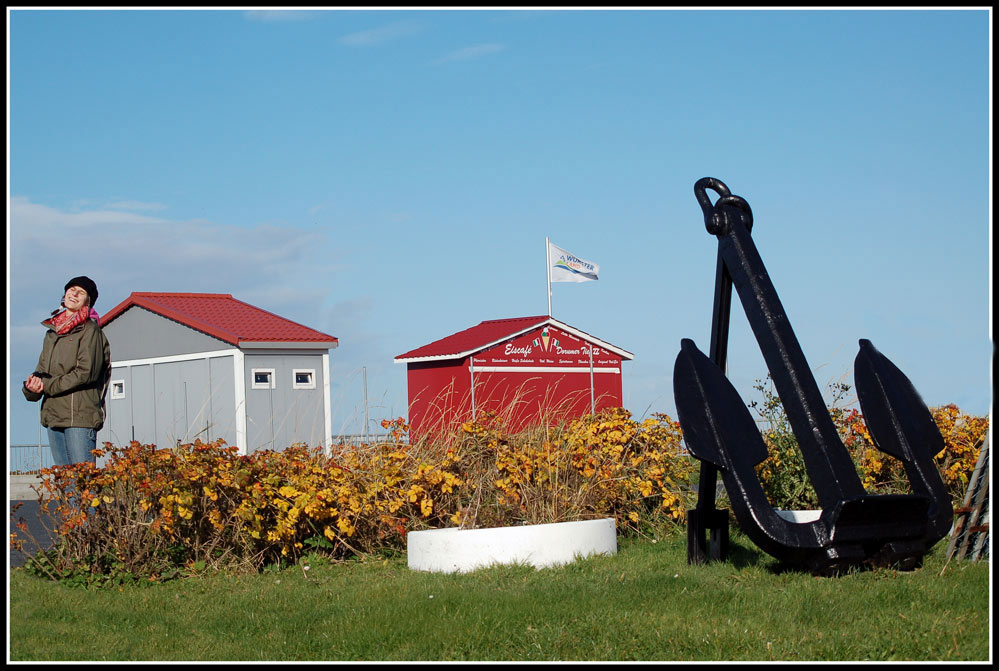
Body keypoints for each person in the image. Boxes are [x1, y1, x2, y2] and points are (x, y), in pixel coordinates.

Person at [23, 276, 112, 466]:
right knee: (65, 483)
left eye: (81, 292)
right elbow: (42, 370)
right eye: (72, 289)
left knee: (82, 482)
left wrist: (46, 384)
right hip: (54, 415)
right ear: (64, 295)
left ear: (88, 301)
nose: (74, 294)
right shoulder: (52, 333)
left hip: (79, 417)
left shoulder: (90, 330)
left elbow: (86, 372)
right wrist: (32, 387)